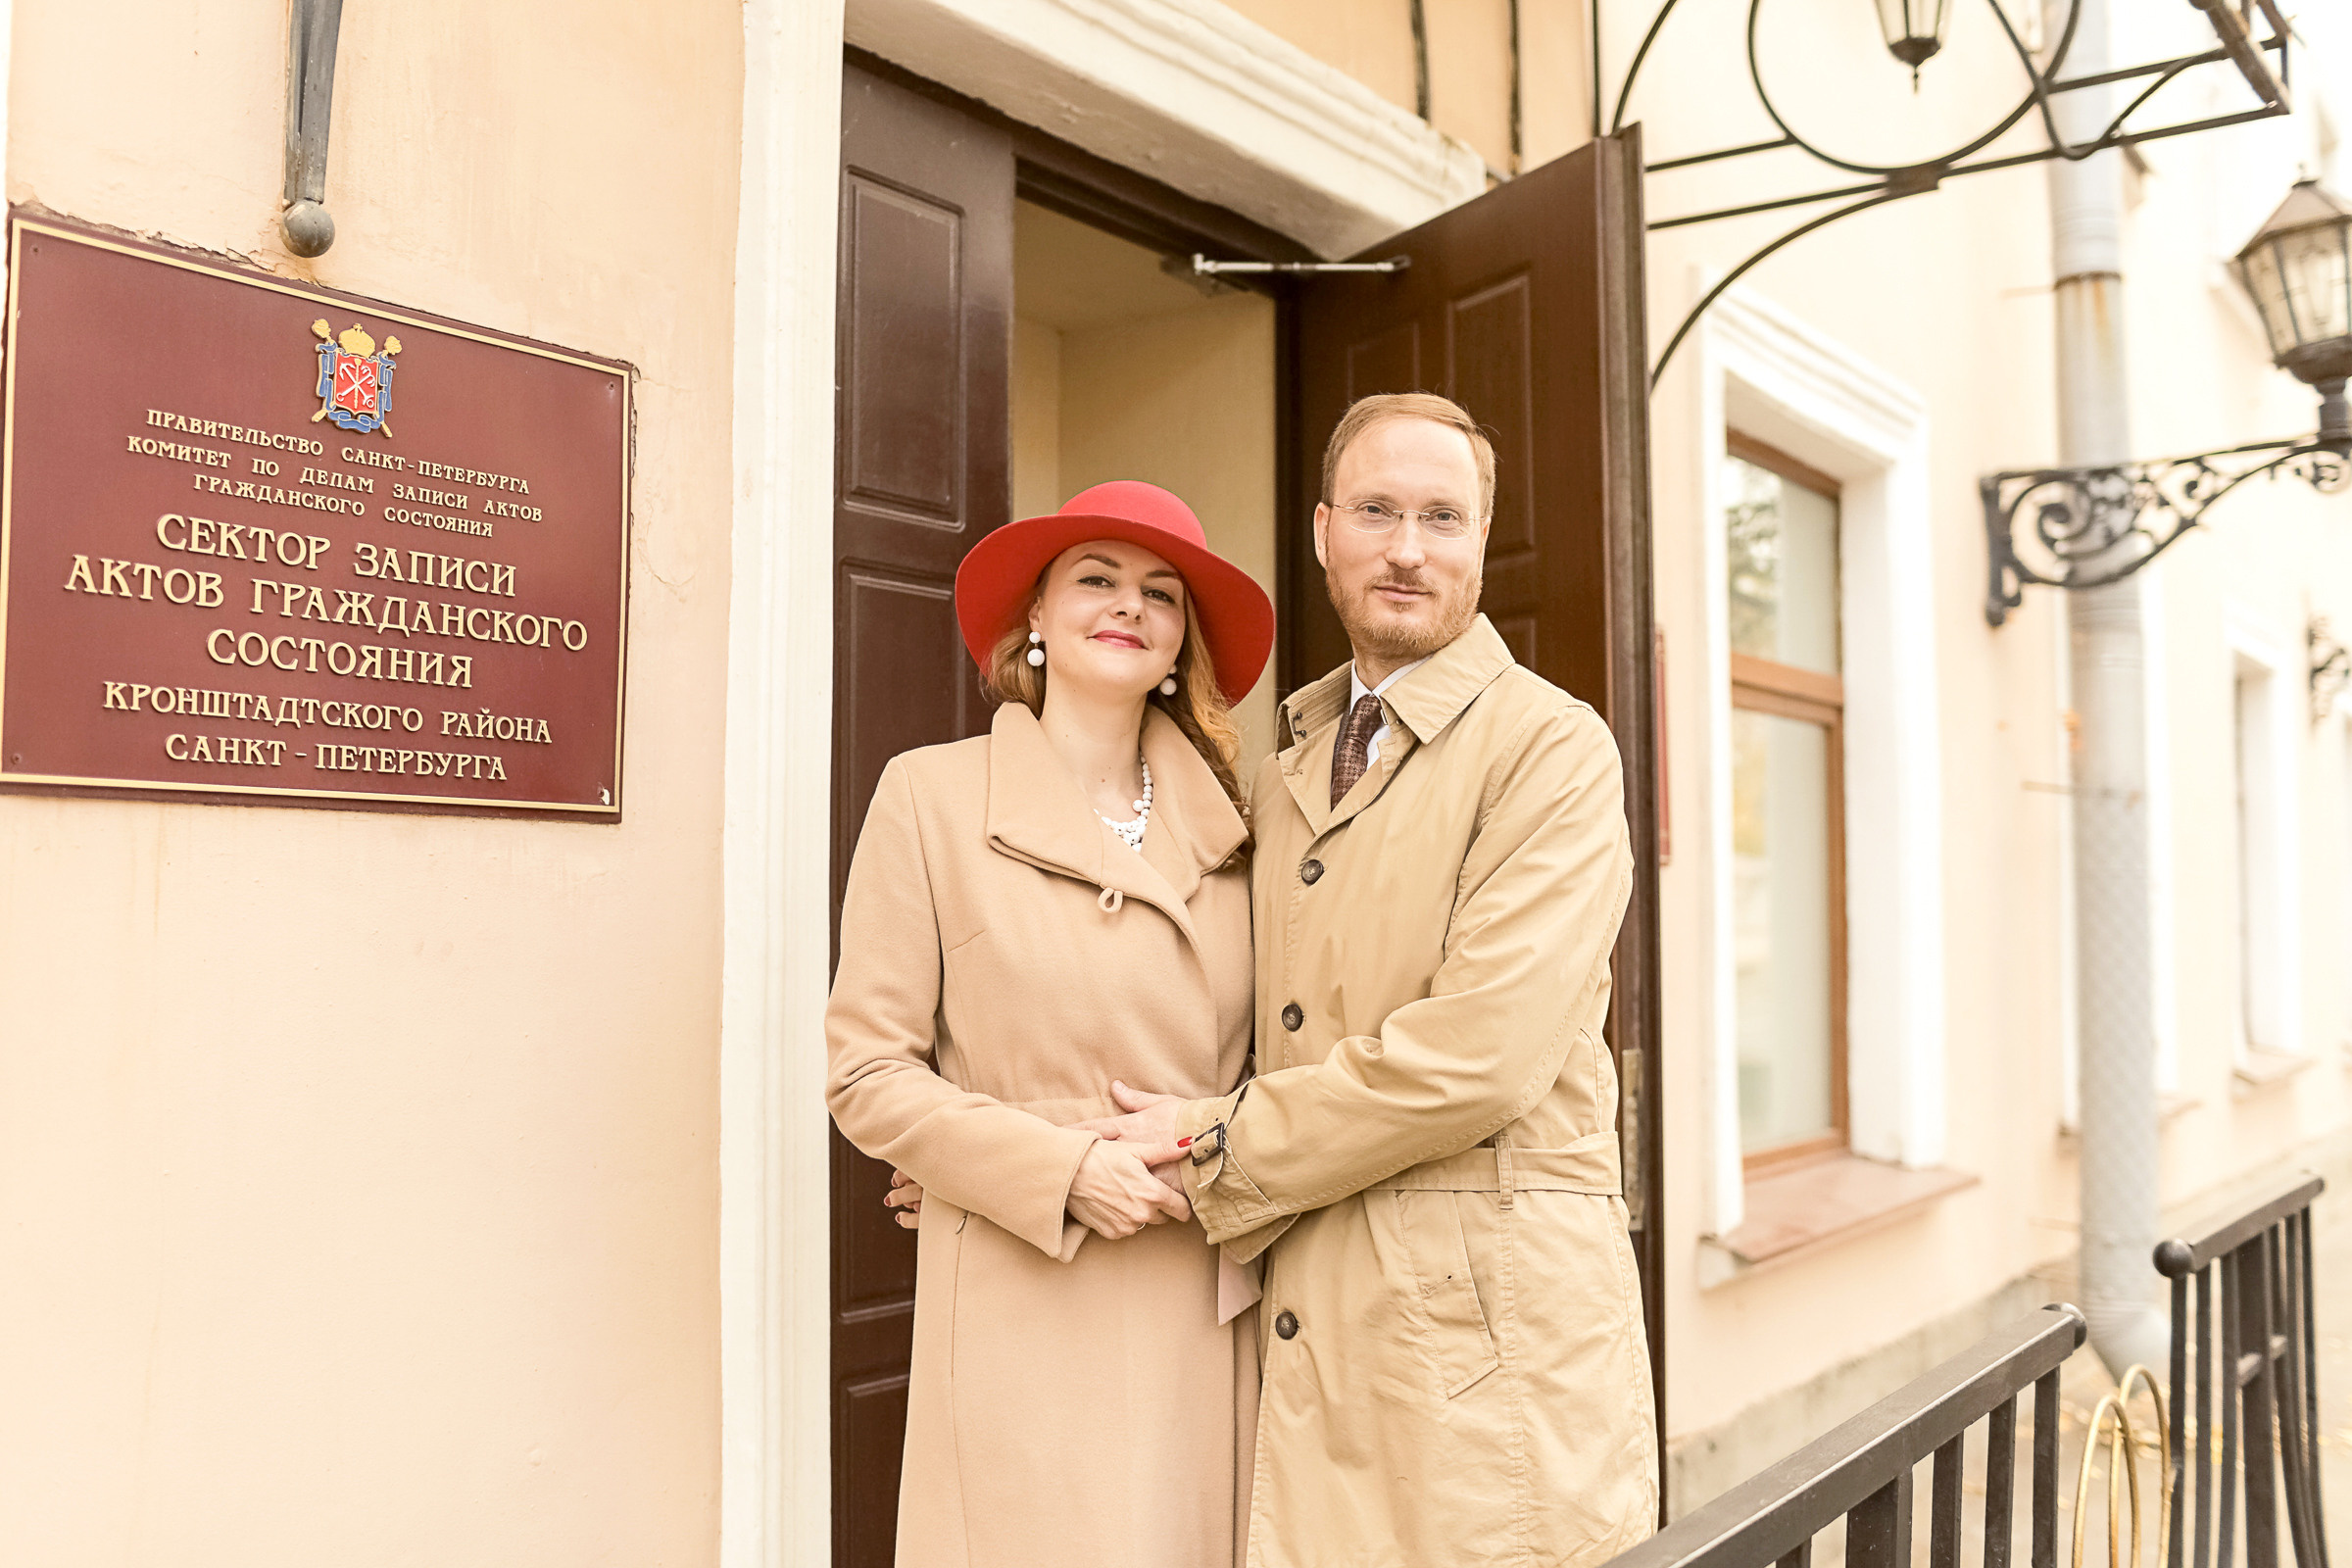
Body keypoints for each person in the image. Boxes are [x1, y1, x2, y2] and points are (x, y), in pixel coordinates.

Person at [1079, 394, 1657, 1567]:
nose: (1408, 548)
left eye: (1443, 517)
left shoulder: (1552, 748)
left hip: (1480, 1348)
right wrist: (1022, 1146)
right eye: (1380, 511)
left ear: (1481, 541)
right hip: (1302, 1328)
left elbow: (1481, 1058)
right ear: (1323, 531)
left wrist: (1205, 1142)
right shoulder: (1281, 772)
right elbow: (1193, 1002)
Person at [824, 479, 1275, 1568]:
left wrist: (1208, 1135)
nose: (1130, 606)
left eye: (1161, 594)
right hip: (1026, 1285)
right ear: (1034, 615)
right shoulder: (929, 797)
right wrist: (1056, 1164)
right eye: (1097, 579)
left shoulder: (1247, 830)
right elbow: (866, 1071)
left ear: (1180, 644)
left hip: (1195, 1285)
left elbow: (1292, 1056)